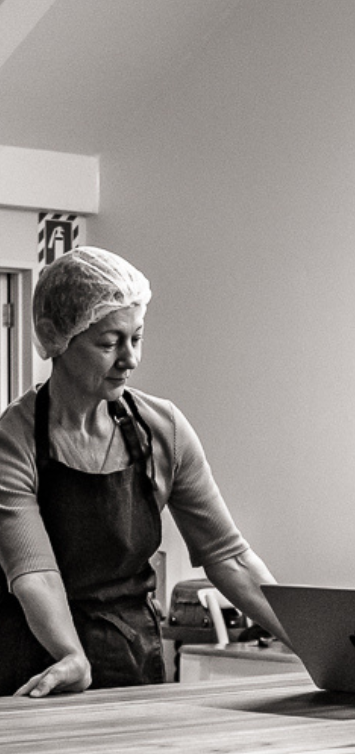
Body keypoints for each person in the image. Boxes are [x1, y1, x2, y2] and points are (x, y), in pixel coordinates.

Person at [0, 246, 290, 698]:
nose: (130, 359)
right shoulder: (14, 439)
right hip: (39, 667)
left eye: (136, 338)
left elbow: (229, 557)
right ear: (57, 338)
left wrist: (315, 643)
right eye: (109, 343)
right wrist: (71, 655)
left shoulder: (162, 429)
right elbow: (34, 572)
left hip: (132, 662)